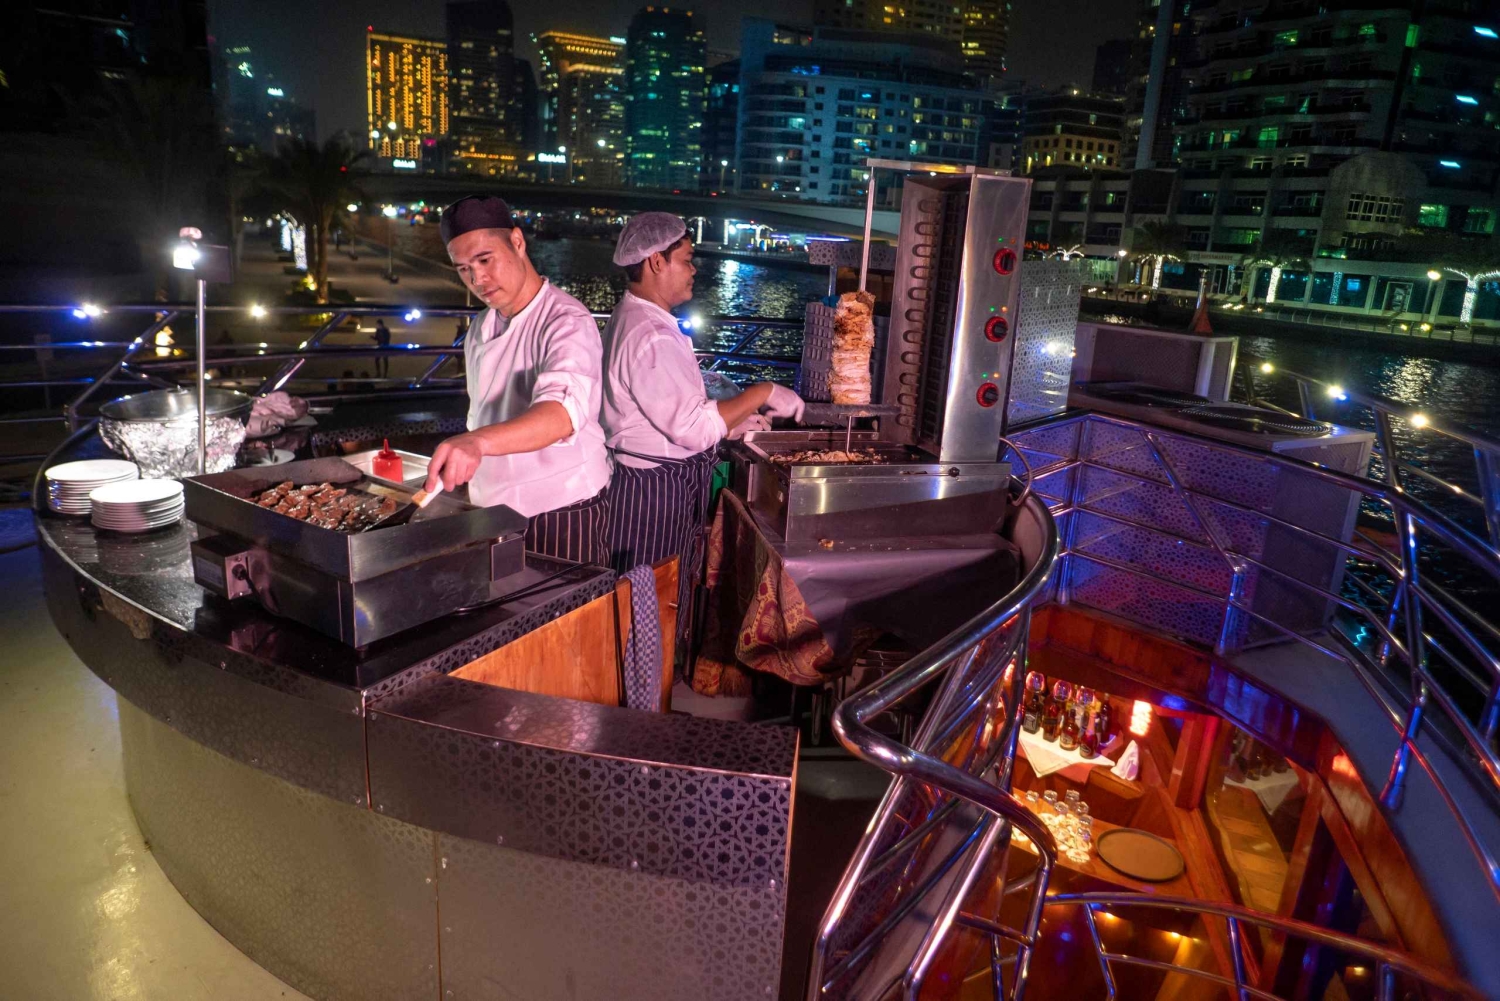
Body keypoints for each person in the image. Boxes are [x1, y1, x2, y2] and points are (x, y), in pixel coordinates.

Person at [600, 212, 803, 581]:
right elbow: (692, 429)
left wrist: (732, 422)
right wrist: (764, 391)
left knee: (656, 596)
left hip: (650, 484)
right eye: (687, 260)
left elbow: (673, 408)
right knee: (650, 599)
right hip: (653, 495)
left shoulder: (635, 316)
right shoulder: (651, 335)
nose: (694, 270)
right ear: (656, 262)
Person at [424, 195, 612, 563]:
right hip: (493, 508)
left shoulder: (566, 321)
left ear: (517, 241)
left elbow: (562, 414)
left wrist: (476, 442)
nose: (477, 279)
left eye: (485, 260)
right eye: (464, 269)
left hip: (560, 509)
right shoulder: (480, 326)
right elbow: (483, 413)